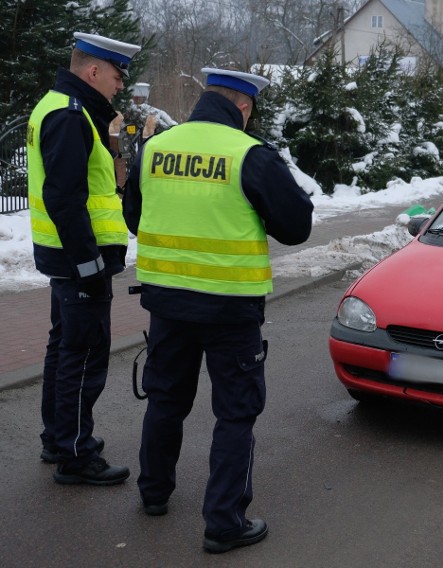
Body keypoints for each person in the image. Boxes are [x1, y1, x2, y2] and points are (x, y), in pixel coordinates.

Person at [122, 68, 314, 554]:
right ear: (245, 108)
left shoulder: (156, 148)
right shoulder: (249, 154)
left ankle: (153, 492)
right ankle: (224, 521)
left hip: (166, 303)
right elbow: (296, 227)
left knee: (166, 398)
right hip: (230, 310)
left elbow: (132, 216)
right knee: (235, 413)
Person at [27, 32, 140, 485]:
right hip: (78, 260)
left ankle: (59, 438)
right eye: (115, 77)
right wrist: (89, 265)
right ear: (92, 71)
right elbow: (64, 197)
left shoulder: (57, 106)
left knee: (64, 347)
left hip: (65, 258)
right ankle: (75, 454)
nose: (118, 86)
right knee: (84, 353)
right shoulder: (71, 117)